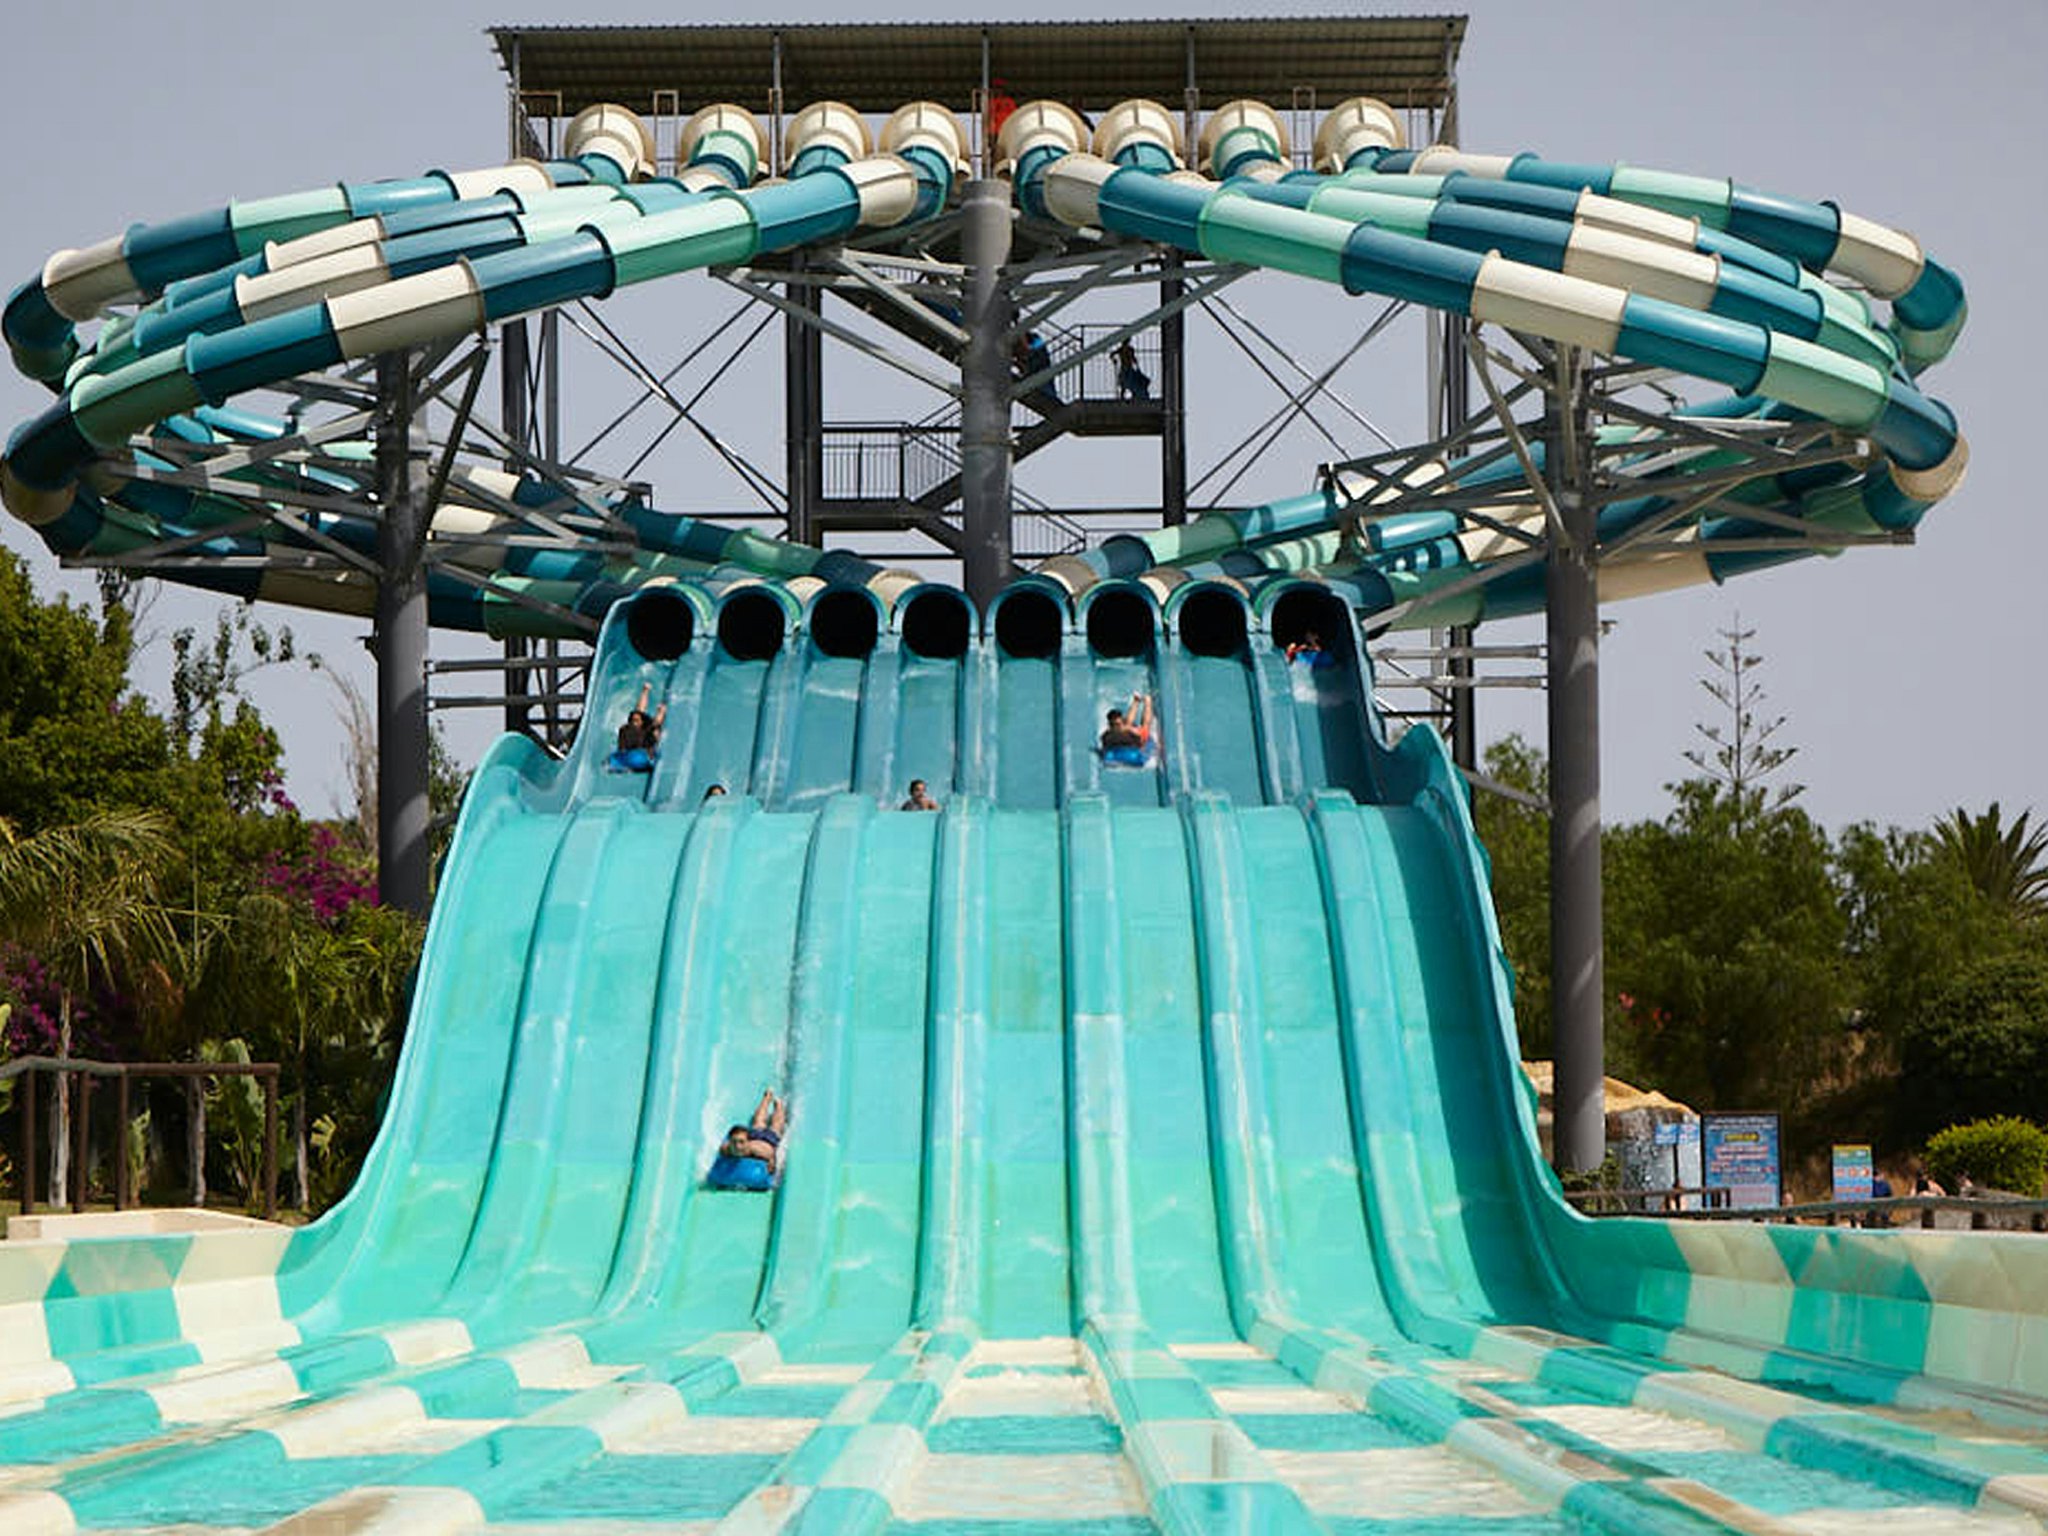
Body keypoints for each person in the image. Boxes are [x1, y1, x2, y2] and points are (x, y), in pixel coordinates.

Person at [708, 1089, 788, 1191]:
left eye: (741, 1142)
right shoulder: (726, 1149)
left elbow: (771, 1153)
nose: (737, 1146)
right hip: (755, 1134)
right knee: (758, 1122)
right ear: (730, 1141)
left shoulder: (756, 1150)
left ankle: (778, 1105)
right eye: (734, 1142)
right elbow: (719, 1157)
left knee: (776, 1126)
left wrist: (772, 1162)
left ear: (747, 1142)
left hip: (767, 1141)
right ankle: (767, 1097)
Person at [608, 683, 667, 773]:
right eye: (633, 720)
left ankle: (658, 707)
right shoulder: (625, 730)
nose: (634, 722)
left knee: (651, 723)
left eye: (636, 721)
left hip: (643, 745)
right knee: (641, 715)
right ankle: (647, 693)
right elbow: (621, 749)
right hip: (636, 750)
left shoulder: (646, 730)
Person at [1100, 693, 1155, 766]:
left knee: (1145, 727)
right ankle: (1136, 701)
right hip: (1126, 743)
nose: (1117, 727)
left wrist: (1130, 730)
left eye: (1118, 724)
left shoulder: (1127, 729)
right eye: (1114, 725)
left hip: (1135, 740)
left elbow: (1140, 735)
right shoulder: (1108, 734)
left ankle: (1147, 702)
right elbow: (1105, 744)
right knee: (1129, 724)